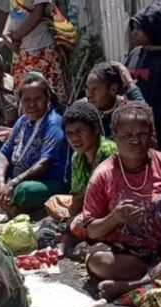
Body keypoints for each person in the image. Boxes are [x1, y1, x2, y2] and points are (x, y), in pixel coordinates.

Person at [81, 102, 161, 300]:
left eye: (142, 134)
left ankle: (132, 285)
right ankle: (151, 275)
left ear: (151, 134)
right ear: (115, 137)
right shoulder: (103, 174)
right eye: (127, 136)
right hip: (125, 252)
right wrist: (115, 218)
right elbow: (91, 230)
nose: (135, 141)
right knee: (98, 261)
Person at [0, 72, 68, 215]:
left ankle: (3, 199)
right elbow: (4, 152)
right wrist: (1, 181)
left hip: (45, 180)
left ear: (47, 98)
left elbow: (44, 164)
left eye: (37, 98)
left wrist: (13, 183)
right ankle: (5, 198)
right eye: (27, 100)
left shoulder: (53, 123)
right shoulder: (23, 121)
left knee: (25, 191)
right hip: (19, 174)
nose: (32, 104)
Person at [44, 101, 116, 255]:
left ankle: (74, 237)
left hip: (108, 209)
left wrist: (78, 209)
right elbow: (77, 194)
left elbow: (106, 197)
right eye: (70, 133)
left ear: (95, 129)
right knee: (54, 202)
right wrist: (75, 205)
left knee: (77, 223)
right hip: (87, 206)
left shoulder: (108, 152)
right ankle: (70, 233)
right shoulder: (77, 157)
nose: (74, 138)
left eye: (80, 131)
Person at [126, 4, 161, 167]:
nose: (134, 32)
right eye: (134, 28)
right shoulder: (135, 53)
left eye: (139, 28)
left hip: (160, 126)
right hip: (134, 122)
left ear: (153, 29)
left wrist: (159, 121)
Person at [2, 0, 65, 100]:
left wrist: (15, 36)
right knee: (24, 101)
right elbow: (14, 11)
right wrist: (6, 34)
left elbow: (39, 12)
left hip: (40, 51)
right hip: (21, 54)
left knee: (50, 99)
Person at [78, 61, 136, 139]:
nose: (89, 94)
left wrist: (129, 82)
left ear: (113, 89)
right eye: (87, 88)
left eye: (94, 89)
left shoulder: (127, 111)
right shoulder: (83, 111)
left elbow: (143, 111)